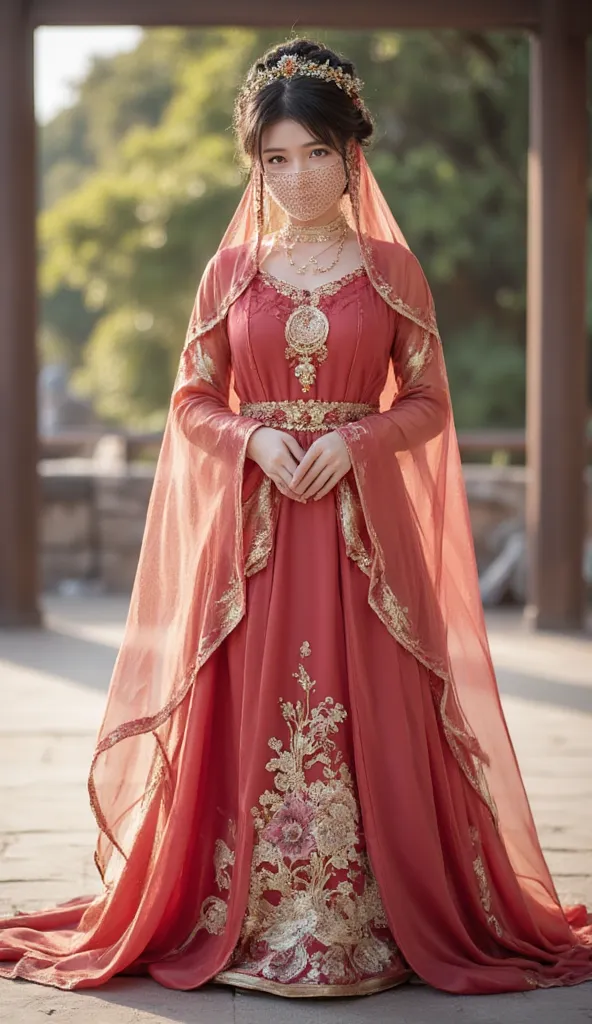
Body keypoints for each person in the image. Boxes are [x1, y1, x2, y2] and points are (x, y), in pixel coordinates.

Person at [1, 37, 591, 1000]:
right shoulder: (228, 271)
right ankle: (257, 912)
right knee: (255, 694)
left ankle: (372, 910)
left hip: (364, 526)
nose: (297, 177)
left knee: (377, 704)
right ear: (254, 164)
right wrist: (253, 442)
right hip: (255, 528)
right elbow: (192, 400)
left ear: (352, 154)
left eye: (316, 153)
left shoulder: (394, 268)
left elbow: (432, 404)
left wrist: (354, 443)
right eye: (275, 158)